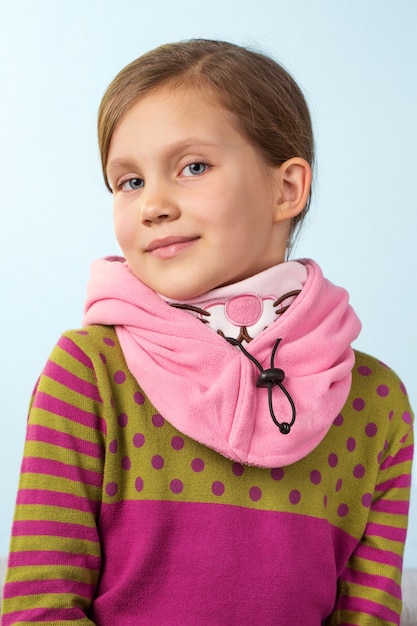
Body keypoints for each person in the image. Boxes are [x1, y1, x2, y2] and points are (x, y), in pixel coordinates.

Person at [1, 39, 414, 626]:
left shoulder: (377, 400)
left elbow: (368, 614)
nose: (153, 205)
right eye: (128, 182)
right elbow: (37, 609)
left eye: (192, 167)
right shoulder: (88, 372)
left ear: (287, 189)